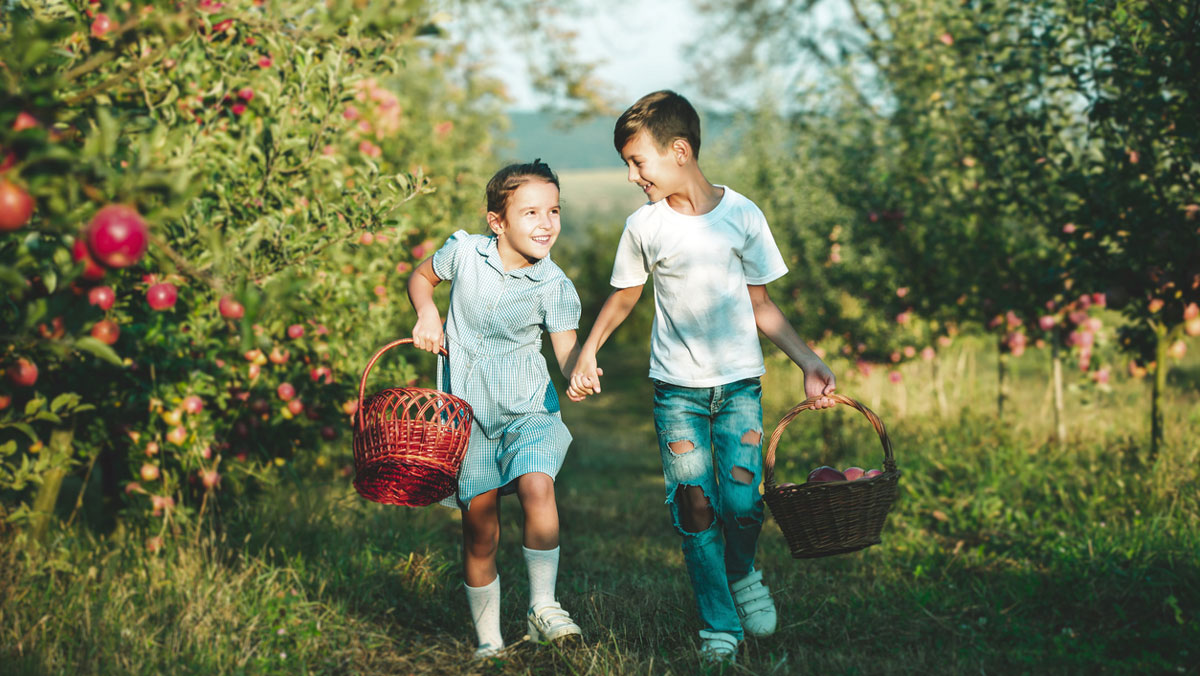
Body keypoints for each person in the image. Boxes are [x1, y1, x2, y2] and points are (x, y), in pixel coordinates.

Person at [566, 90, 838, 664]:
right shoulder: (645, 225)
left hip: (739, 388)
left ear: (680, 151)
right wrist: (588, 350)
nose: (633, 175)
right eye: (627, 165)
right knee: (695, 506)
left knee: (742, 504)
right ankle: (719, 621)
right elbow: (624, 297)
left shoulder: (743, 215)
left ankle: (741, 573)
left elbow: (761, 305)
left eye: (638, 161)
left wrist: (808, 360)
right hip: (677, 393)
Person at [408, 160, 586, 658]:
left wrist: (579, 370)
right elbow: (421, 278)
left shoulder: (553, 284)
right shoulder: (464, 252)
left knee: (537, 485)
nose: (546, 223)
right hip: (468, 418)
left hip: (528, 407)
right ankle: (489, 642)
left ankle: (543, 604)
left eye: (553, 211)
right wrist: (427, 313)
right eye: (531, 213)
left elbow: (566, 350)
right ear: (497, 222)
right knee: (480, 530)